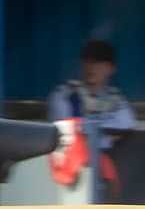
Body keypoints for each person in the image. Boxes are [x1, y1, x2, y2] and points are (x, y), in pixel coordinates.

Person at [48, 40, 137, 199]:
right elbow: (66, 129)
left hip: (102, 174)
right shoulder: (65, 95)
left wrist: (89, 128)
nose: (91, 67)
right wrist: (104, 134)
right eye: (87, 61)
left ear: (111, 68)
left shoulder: (115, 99)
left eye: (99, 62)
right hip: (69, 171)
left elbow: (126, 123)